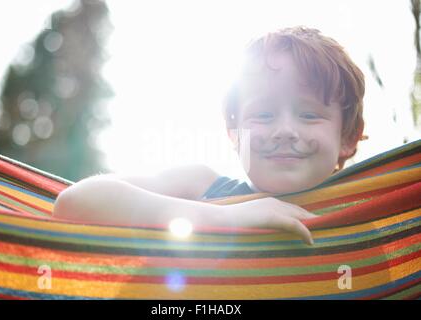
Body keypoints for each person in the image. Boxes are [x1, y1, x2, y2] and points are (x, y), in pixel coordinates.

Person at [53, 26, 365, 245]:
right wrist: (228, 218)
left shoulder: (366, 216)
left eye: (309, 115)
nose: (285, 131)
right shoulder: (199, 185)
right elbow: (75, 202)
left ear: (348, 137)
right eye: (263, 115)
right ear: (234, 134)